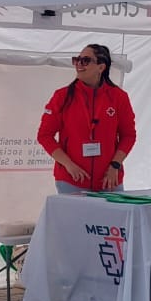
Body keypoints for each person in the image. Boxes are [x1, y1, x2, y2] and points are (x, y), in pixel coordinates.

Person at [37, 43, 136, 194]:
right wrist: (68, 165)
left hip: (109, 180)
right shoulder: (62, 96)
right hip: (71, 180)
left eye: (85, 60)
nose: (78, 64)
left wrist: (115, 165)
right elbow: (44, 135)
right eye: (77, 60)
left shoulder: (119, 97)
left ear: (101, 67)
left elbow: (128, 135)